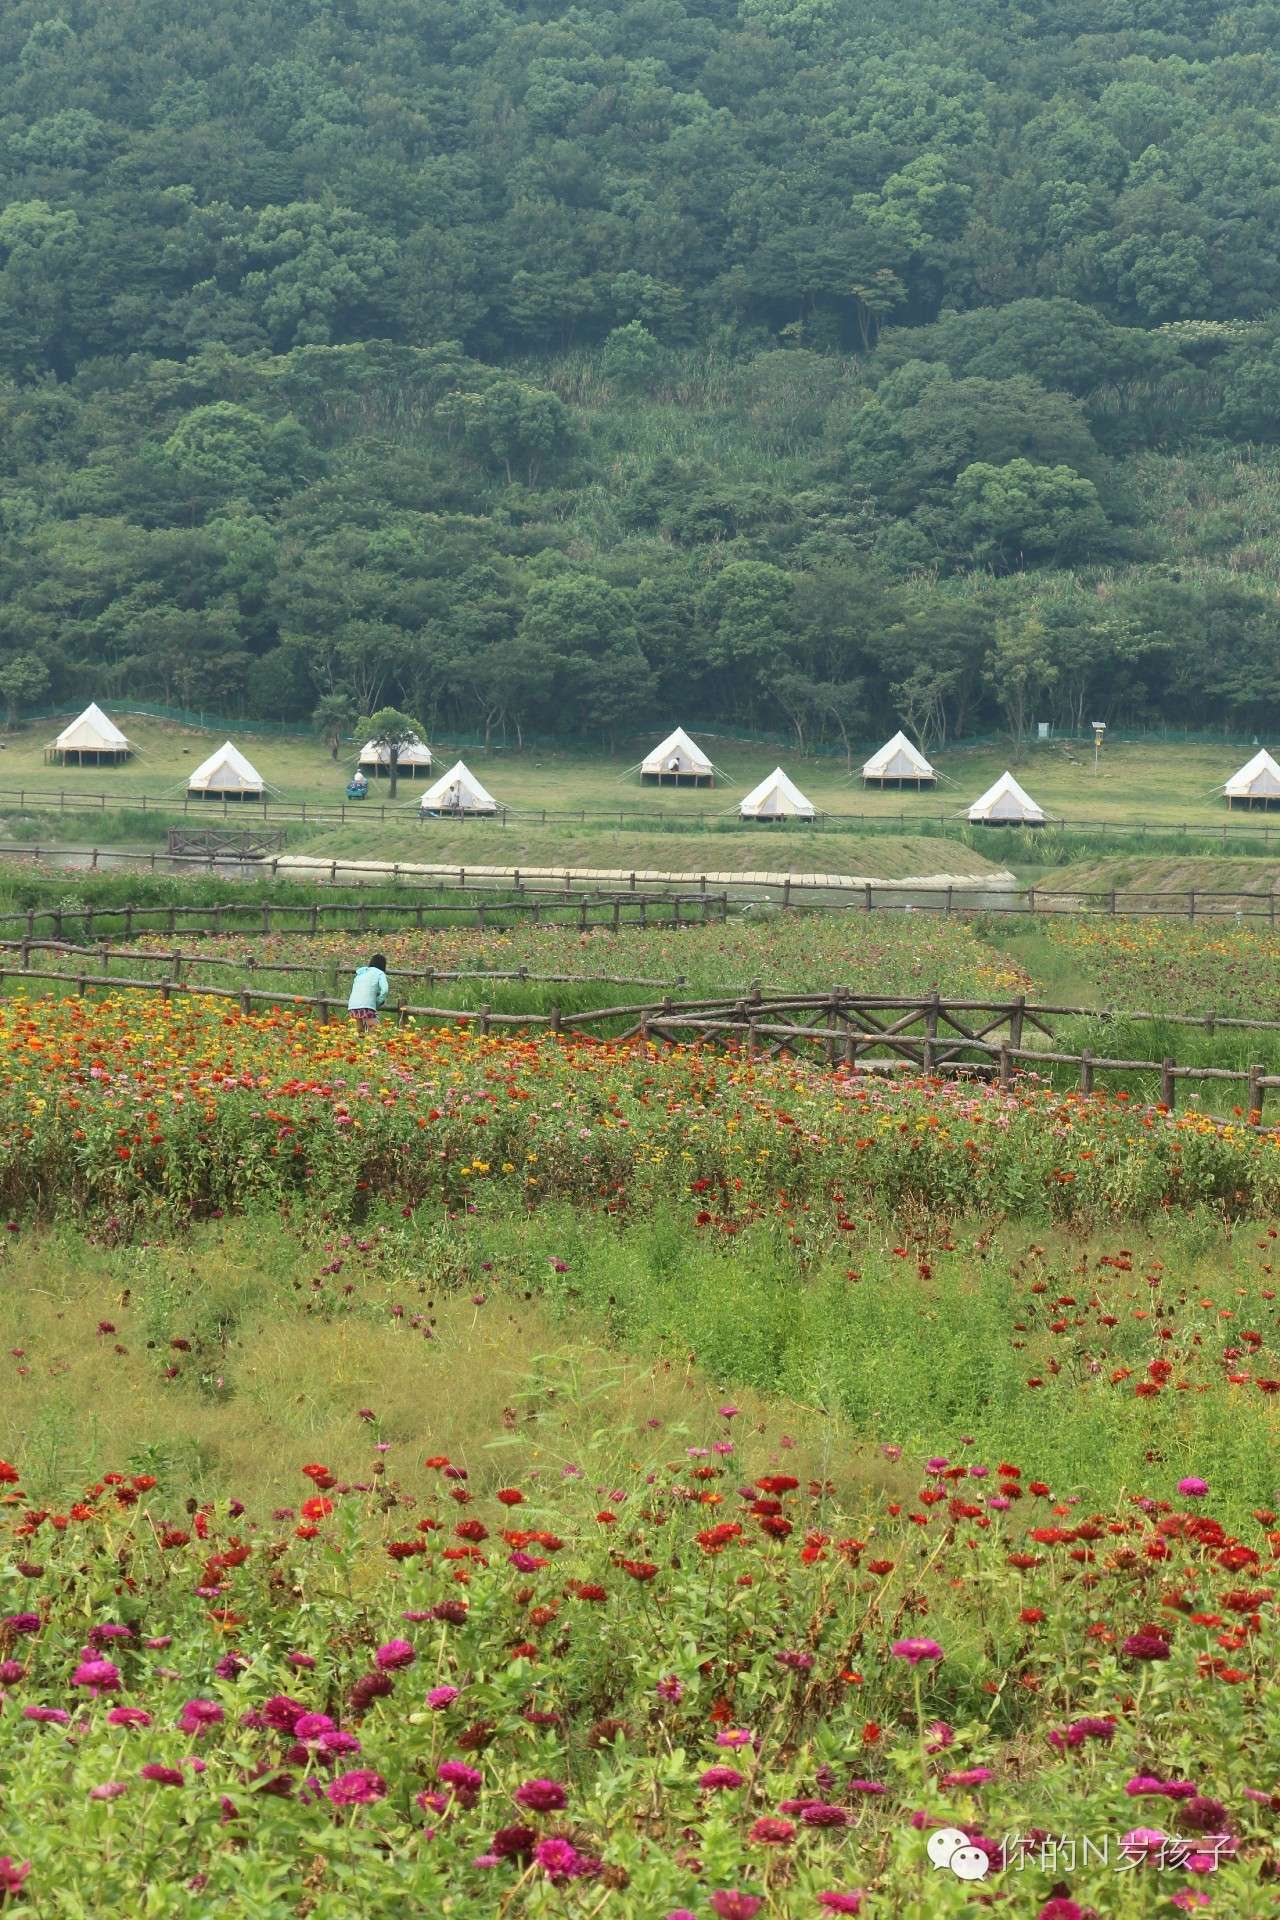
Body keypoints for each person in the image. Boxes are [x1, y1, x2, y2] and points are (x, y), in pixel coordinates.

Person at [348, 952, 389, 1028]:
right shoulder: (380, 973)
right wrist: (377, 1002)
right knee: (375, 1031)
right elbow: (385, 990)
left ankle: (360, 1039)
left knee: (360, 1031)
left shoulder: (362, 972)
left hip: (352, 1005)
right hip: (366, 1006)